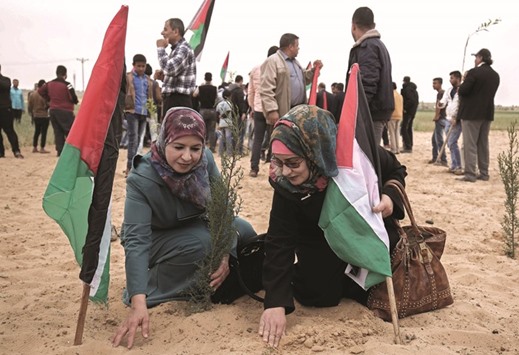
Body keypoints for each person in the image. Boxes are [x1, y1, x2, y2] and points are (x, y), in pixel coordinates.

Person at [258, 105, 407, 348]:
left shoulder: (355, 154)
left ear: (315, 152)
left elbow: (395, 170)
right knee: (317, 295)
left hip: (364, 231)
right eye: (279, 161)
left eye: (293, 163)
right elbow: (279, 239)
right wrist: (275, 302)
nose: (285, 171)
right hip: (319, 238)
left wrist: (389, 196)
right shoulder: (284, 181)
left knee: (370, 288)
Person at [112, 107, 257, 349]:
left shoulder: (206, 160)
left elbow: (223, 207)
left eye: (195, 148)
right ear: (163, 140)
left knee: (245, 230)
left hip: (193, 224)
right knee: (202, 245)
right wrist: (138, 303)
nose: (188, 157)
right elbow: (137, 241)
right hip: (154, 238)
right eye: (179, 147)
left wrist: (225, 254)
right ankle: (150, 288)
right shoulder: (141, 178)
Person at [347, 6, 394, 145]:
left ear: (353, 26)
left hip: (369, 114)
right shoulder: (378, 45)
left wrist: (355, 112)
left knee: (368, 160)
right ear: (373, 25)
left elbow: (367, 84)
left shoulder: (368, 47)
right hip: (374, 112)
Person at [260, 33, 322, 126]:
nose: (299, 49)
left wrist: (314, 70)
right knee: (280, 140)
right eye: (297, 46)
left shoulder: (296, 63)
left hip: (298, 113)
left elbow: (304, 79)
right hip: (282, 114)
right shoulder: (272, 61)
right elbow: (266, 89)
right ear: (291, 47)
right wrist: (271, 110)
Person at [457, 48, 500, 182]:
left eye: (476, 57)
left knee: (470, 144)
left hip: (471, 114)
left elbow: (463, 91)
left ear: (480, 58)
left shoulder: (474, 72)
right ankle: (484, 172)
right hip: (487, 113)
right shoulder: (495, 75)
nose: (475, 60)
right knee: (483, 144)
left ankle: (470, 173)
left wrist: (463, 81)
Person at [248, 45, 279, 177]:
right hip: (272, 109)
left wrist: (252, 107)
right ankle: (273, 169)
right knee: (274, 139)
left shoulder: (255, 69)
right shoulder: (278, 68)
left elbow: (251, 92)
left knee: (257, 140)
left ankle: (254, 168)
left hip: (259, 109)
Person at [156, 18, 196, 112]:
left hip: (178, 101)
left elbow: (170, 69)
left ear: (175, 31)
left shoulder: (183, 49)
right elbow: (174, 72)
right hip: (174, 100)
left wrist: (161, 49)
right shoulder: (176, 50)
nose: (162, 33)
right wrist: (164, 77)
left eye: (165, 29)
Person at [123, 54, 154, 177]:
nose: (141, 68)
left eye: (143, 66)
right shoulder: (128, 78)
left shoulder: (147, 80)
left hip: (144, 112)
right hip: (132, 112)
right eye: (138, 66)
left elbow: (149, 96)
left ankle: (136, 166)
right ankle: (129, 167)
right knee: (133, 139)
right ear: (133, 65)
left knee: (140, 140)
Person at [38, 65, 79, 156]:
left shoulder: (49, 84)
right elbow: (74, 97)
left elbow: (40, 91)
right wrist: (74, 101)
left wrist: (49, 99)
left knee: (58, 132)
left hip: (53, 110)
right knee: (70, 131)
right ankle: (71, 151)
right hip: (66, 111)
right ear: (65, 74)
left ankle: (60, 151)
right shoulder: (67, 85)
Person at [438, 70, 463, 175]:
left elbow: (461, 106)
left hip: (457, 120)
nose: (450, 80)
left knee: (452, 142)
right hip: (448, 119)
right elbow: (444, 102)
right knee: (449, 143)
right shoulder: (449, 90)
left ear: (458, 78)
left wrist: (456, 118)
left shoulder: (462, 90)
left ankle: (458, 166)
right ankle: (453, 165)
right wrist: (440, 104)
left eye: (452, 78)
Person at [0, 64, 23, 158]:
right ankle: (1, 152)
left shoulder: (6, 80)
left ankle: (16, 151)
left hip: (6, 110)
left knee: (10, 131)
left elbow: (5, 86)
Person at [193, 72, 217, 152]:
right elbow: (217, 98)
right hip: (212, 110)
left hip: (203, 110)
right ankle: (212, 147)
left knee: (202, 129)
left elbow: (194, 95)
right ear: (211, 78)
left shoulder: (200, 87)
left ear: (204, 78)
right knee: (212, 130)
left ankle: (202, 146)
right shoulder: (214, 88)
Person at [28, 79, 50, 153]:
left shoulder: (32, 94)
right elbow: (48, 104)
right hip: (44, 115)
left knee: (37, 131)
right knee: (44, 132)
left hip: (36, 115)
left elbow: (29, 106)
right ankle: (42, 148)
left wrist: (32, 114)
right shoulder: (44, 95)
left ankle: (34, 147)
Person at [430, 77, 448, 166]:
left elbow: (439, 105)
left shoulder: (441, 93)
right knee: (434, 139)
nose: (433, 85)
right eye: (433, 83)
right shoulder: (441, 93)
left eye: (435, 83)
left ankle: (443, 159)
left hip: (440, 119)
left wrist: (437, 116)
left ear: (440, 84)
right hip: (442, 118)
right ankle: (435, 157)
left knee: (439, 140)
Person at [400, 76, 419, 153]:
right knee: (408, 128)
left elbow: (410, 100)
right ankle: (409, 145)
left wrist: (405, 108)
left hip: (408, 112)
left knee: (404, 128)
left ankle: (407, 146)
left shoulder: (407, 90)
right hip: (412, 112)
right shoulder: (414, 90)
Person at [216, 88, 234, 157]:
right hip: (228, 122)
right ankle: (229, 153)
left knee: (222, 138)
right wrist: (223, 116)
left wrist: (219, 120)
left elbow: (217, 113)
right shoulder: (229, 103)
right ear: (229, 96)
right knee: (228, 138)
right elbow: (228, 111)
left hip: (221, 123)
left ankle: (220, 153)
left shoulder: (219, 104)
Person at [388, 82, 403, 154]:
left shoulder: (391, 95)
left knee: (392, 133)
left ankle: (393, 149)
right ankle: (398, 148)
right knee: (397, 133)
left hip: (392, 115)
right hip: (399, 115)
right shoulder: (400, 95)